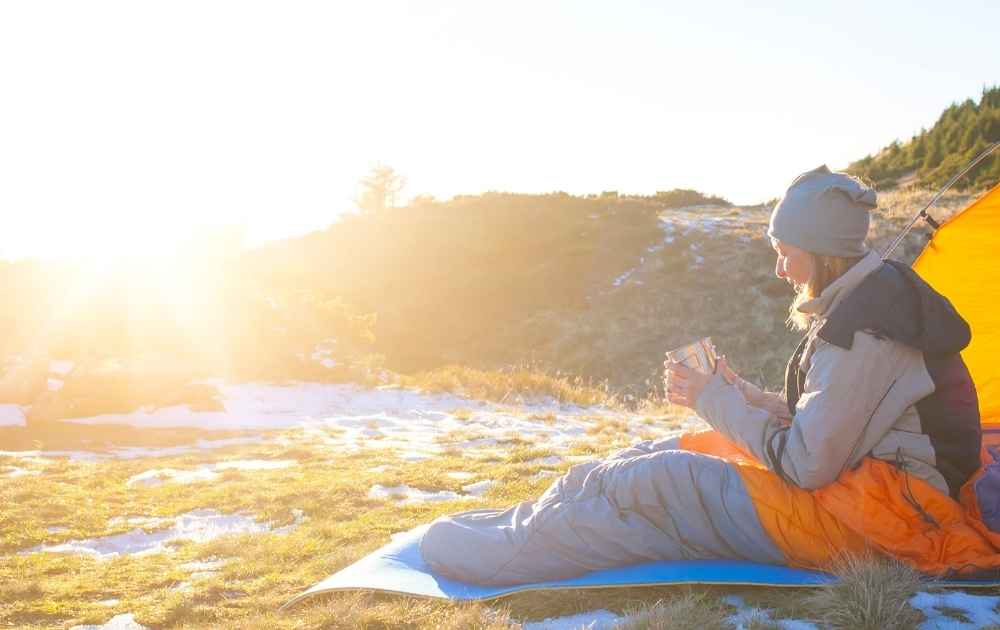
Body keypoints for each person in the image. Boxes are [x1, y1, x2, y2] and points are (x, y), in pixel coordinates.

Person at [419, 165, 983, 585]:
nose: (780, 267)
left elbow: (809, 465)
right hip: (867, 484)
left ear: (821, 251)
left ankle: (515, 552)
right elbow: (840, 420)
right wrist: (746, 397)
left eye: (785, 251)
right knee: (647, 454)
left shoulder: (864, 330)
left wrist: (714, 397)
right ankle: (528, 521)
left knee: (660, 483)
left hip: (887, 517)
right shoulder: (864, 300)